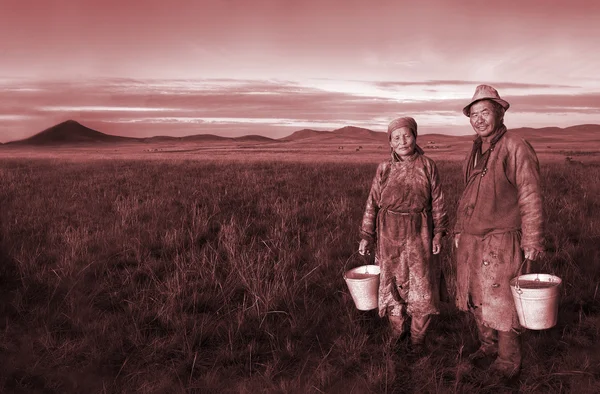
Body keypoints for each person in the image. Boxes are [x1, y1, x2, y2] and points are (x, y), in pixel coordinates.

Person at [454, 84, 545, 379]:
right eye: (474, 114)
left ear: (499, 113)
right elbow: (467, 195)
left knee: (502, 301)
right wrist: (458, 230)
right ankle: (488, 347)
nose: (479, 119)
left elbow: (529, 193)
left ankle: (507, 362)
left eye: (485, 112)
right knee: (477, 297)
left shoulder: (515, 146)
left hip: (503, 238)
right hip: (473, 239)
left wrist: (532, 239)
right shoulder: (476, 149)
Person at [358, 117, 448, 352]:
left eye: (407, 135)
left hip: (421, 232)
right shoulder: (384, 168)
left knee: (422, 285)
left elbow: (438, 202)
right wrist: (367, 235)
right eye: (396, 138)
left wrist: (439, 233)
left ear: (415, 137)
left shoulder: (428, 165)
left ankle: (418, 340)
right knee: (391, 284)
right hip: (389, 234)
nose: (402, 141)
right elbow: (372, 204)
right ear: (390, 142)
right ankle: (398, 334)